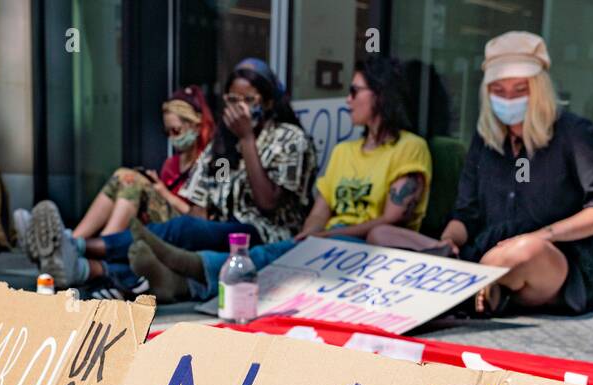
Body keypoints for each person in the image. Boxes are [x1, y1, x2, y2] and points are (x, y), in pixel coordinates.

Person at [128, 55, 432, 304]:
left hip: (369, 252)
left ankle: (185, 265)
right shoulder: (344, 151)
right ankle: (177, 282)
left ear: (380, 94)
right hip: (329, 243)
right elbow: (320, 210)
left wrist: (321, 237)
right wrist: (308, 235)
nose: (347, 100)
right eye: (231, 98)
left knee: (266, 255)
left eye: (354, 91)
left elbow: (392, 219)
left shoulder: (409, 147)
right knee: (282, 257)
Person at [367, 31, 593, 315]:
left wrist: (545, 235)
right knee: (382, 236)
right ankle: (476, 288)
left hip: (548, 263)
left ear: (538, 88)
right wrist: (448, 242)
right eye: (498, 90)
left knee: (523, 251)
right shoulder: (485, 139)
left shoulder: (572, 132)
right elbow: (466, 213)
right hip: (479, 256)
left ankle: (469, 288)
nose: (508, 98)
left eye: (519, 89)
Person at [25, 59, 317, 296]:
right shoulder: (222, 145)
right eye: (232, 99)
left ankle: (76, 246)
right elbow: (203, 207)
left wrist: (247, 140)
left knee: (183, 229)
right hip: (222, 231)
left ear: (266, 102)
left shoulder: (289, 139)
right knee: (176, 241)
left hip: (262, 236)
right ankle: (84, 269)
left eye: (248, 99)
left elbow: (268, 203)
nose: (238, 107)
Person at [15, 86, 213, 249]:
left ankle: (85, 247)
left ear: (195, 125)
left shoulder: (210, 161)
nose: (171, 137)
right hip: (162, 223)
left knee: (131, 180)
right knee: (124, 177)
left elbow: (204, 220)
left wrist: (163, 192)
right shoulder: (171, 163)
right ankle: (72, 242)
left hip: (185, 230)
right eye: (167, 131)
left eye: (176, 130)